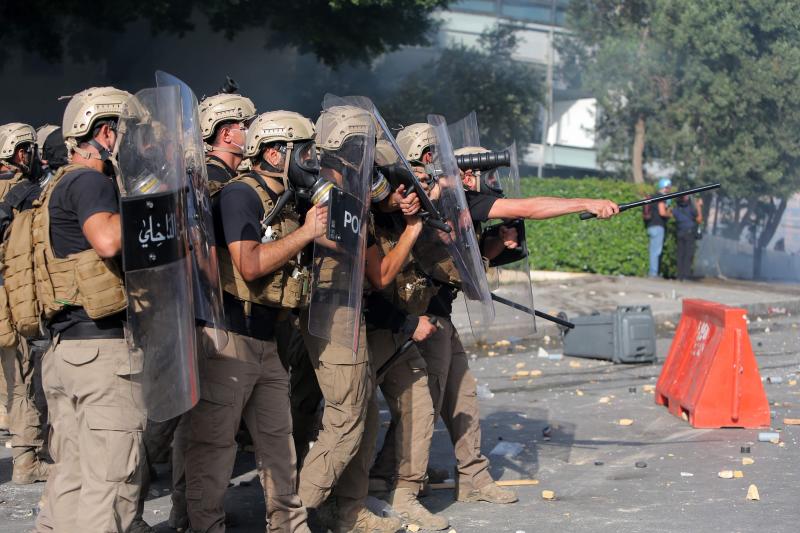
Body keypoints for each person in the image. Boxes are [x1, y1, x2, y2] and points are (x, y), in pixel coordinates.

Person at [183, 110, 323, 533]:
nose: (310, 160)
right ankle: (205, 526)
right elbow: (248, 264)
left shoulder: (290, 200)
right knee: (214, 448)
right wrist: (307, 232)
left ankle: (289, 526)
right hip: (230, 338)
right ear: (276, 153)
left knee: (279, 449)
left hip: (268, 340)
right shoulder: (240, 195)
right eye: (304, 152)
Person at [31, 86, 143, 533]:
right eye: (127, 133)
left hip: (67, 351)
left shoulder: (54, 184)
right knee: (111, 481)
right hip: (101, 353)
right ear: (105, 132)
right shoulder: (91, 182)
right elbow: (108, 240)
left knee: (71, 475)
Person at [164, 84, 258, 533]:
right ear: (224, 132)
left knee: (196, 429)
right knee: (209, 434)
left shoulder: (205, 179)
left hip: (205, 314)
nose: (248, 132)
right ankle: (196, 516)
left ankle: (186, 513)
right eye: (242, 125)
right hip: (216, 315)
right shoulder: (217, 185)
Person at [0, 122, 49, 485]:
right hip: (14, 296)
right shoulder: (26, 193)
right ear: (21, 153)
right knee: (26, 379)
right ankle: (27, 460)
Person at [644, 178, 673, 277]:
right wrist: (670, 214)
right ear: (664, 187)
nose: (669, 190)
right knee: (656, 251)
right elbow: (662, 212)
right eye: (668, 188)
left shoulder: (653, 196)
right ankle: (653, 273)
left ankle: (653, 271)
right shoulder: (661, 198)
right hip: (658, 226)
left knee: (653, 250)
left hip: (651, 225)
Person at [673, 194, 703, 281]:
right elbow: (699, 219)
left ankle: (679, 276)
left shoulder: (676, 209)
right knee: (688, 254)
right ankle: (686, 276)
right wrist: (699, 206)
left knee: (680, 254)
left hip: (680, 232)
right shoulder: (690, 208)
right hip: (689, 233)